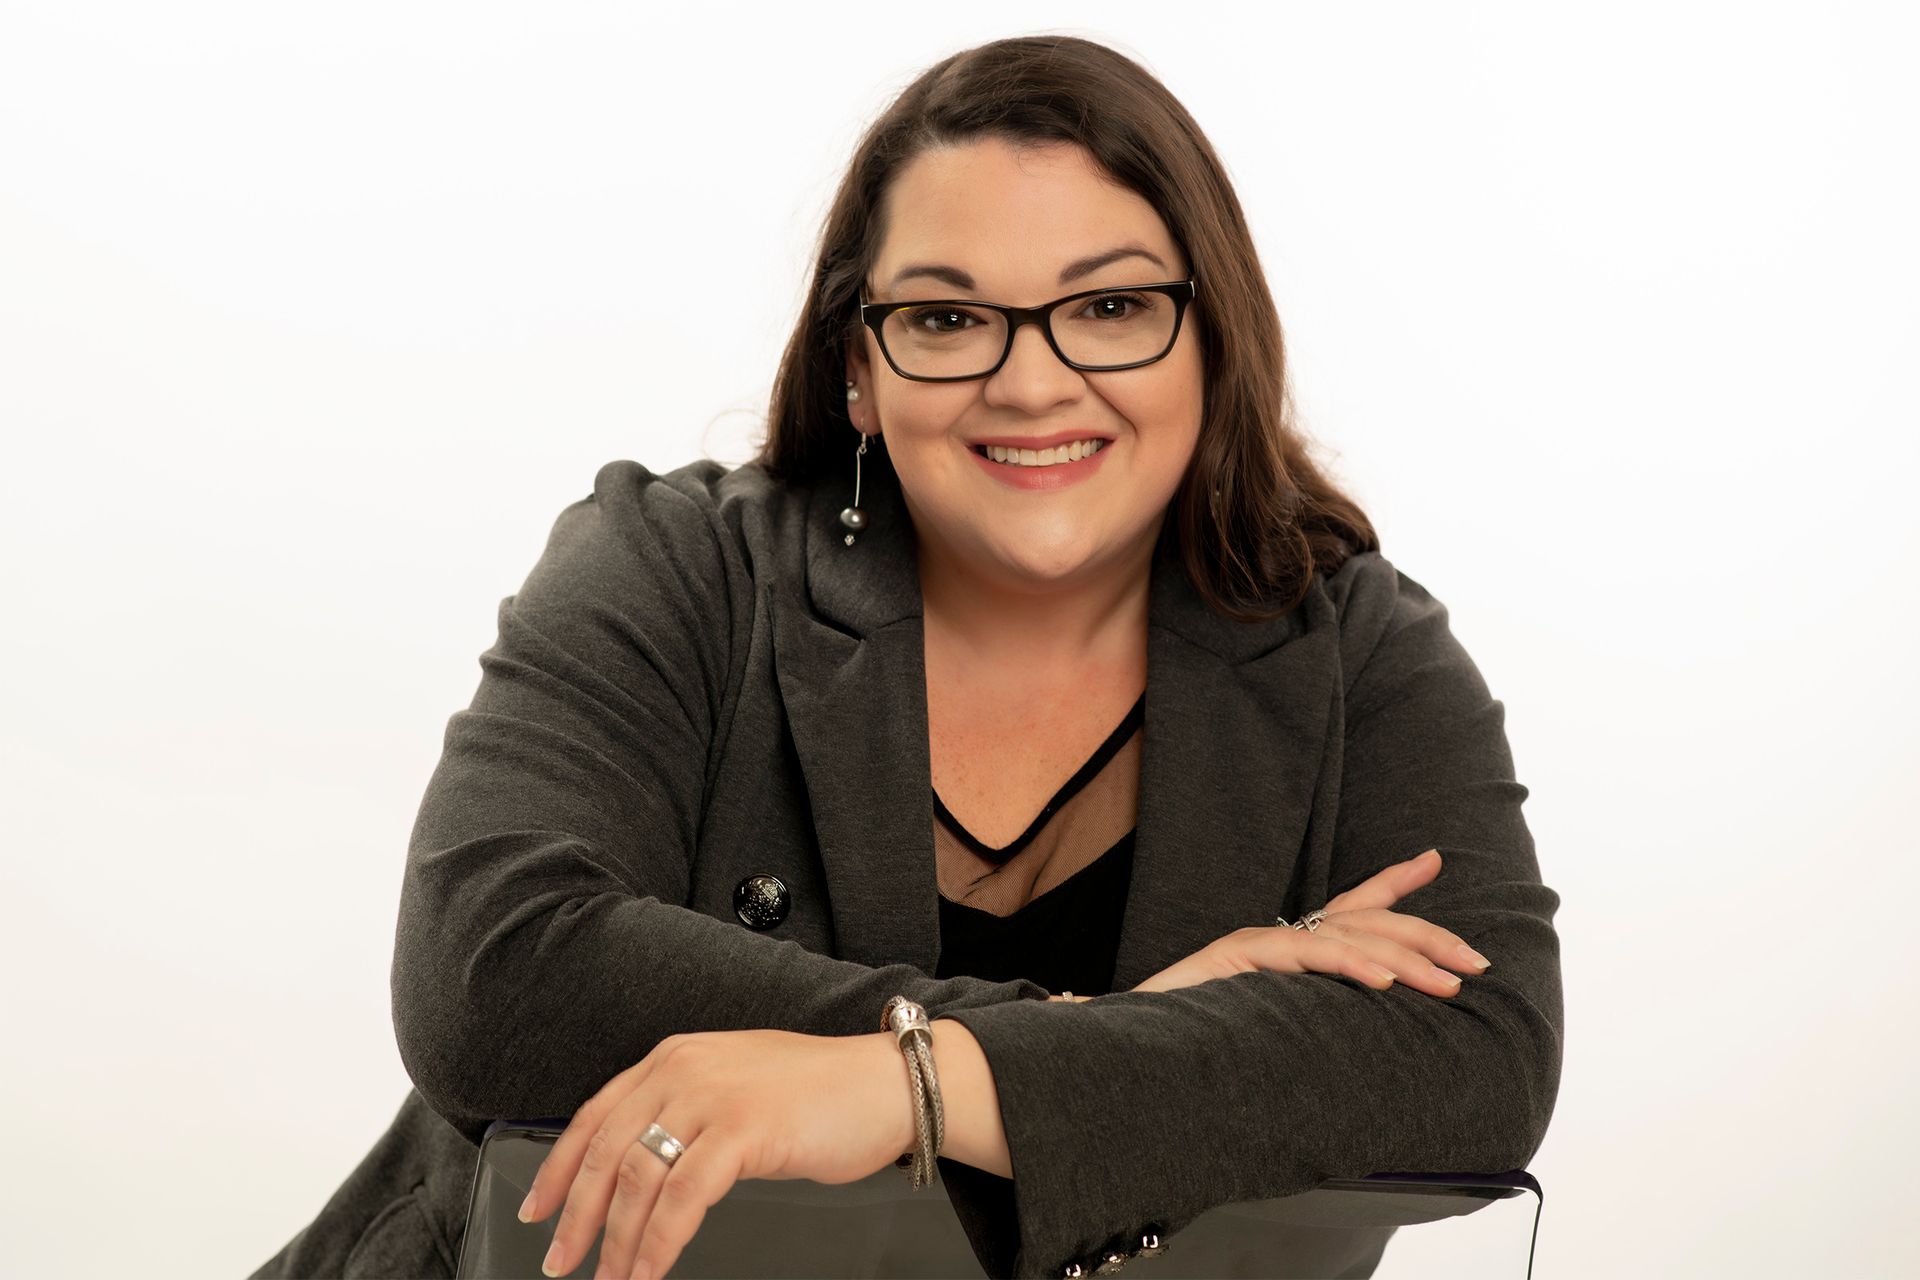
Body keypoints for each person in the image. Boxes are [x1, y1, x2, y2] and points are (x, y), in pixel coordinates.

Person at [251, 33, 1563, 1280]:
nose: (1033, 383)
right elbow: (493, 966)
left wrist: (909, 1083)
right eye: (946, 320)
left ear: (1213, 344)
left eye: (1109, 306)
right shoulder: (677, 565)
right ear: (858, 371)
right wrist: (1077, 1045)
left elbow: (1479, 1054)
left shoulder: (1359, 654)